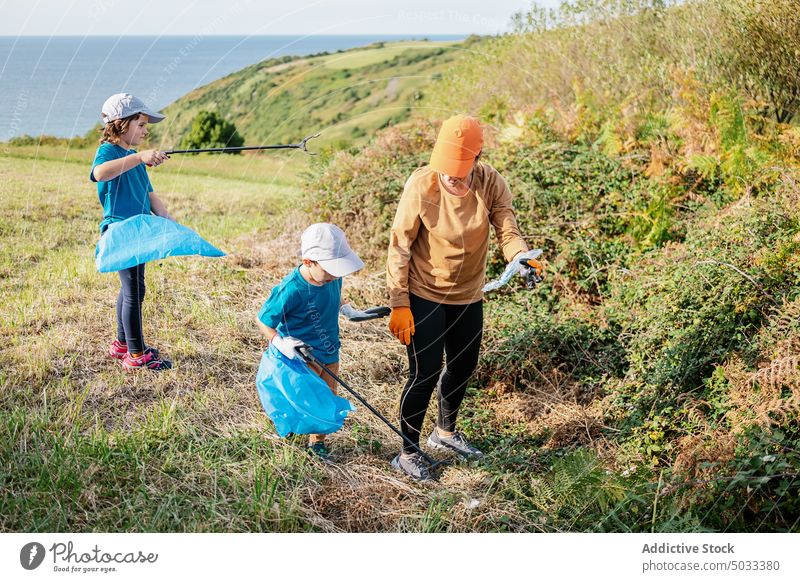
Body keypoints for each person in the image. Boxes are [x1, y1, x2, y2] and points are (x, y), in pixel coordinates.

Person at [386, 115, 544, 480]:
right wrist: (399, 302)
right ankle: (408, 452)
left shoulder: (491, 183)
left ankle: (445, 434)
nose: (451, 177)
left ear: (477, 157)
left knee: (463, 367)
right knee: (425, 373)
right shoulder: (421, 186)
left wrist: (522, 256)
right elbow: (400, 247)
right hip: (424, 292)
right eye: (446, 169)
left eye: (459, 170)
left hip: (469, 295)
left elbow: (507, 230)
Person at [256, 223, 388, 459]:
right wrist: (279, 342)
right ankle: (290, 428)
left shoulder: (332, 278)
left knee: (326, 399)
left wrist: (349, 310)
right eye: (329, 270)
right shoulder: (290, 289)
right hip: (301, 356)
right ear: (308, 262)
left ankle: (317, 444)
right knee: (304, 398)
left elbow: (336, 295)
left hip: (330, 351)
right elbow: (263, 320)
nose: (334, 276)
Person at [91, 93, 173, 371]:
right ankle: (137, 355)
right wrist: (138, 156)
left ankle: (123, 344)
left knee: (133, 289)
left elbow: (149, 194)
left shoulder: (133, 158)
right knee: (133, 291)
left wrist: (167, 219)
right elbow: (100, 173)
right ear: (121, 124)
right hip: (120, 230)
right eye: (140, 123)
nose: (146, 129)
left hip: (139, 230)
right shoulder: (110, 151)